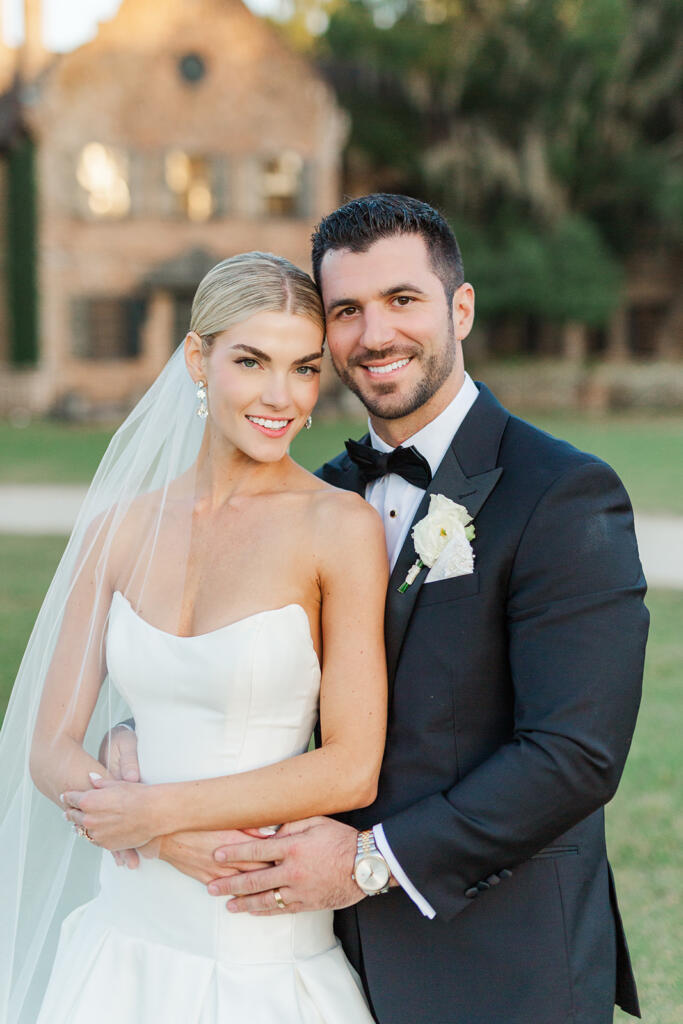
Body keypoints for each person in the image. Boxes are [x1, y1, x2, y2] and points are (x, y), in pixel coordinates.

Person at [110, 195, 649, 1024]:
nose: (375, 335)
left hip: (499, 961)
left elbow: (574, 754)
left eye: (403, 300)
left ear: (459, 308)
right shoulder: (319, 496)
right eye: (346, 311)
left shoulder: (562, 494)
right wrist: (134, 741)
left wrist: (371, 860)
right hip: (320, 957)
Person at [0, 252, 390, 1024]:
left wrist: (157, 813)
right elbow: (48, 745)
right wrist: (151, 829)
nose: (282, 397)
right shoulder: (120, 527)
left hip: (254, 941)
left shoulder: (337, 527)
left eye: (304, 368)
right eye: (252, 361)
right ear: (196, 358)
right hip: (123, 933)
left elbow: (352, 767)